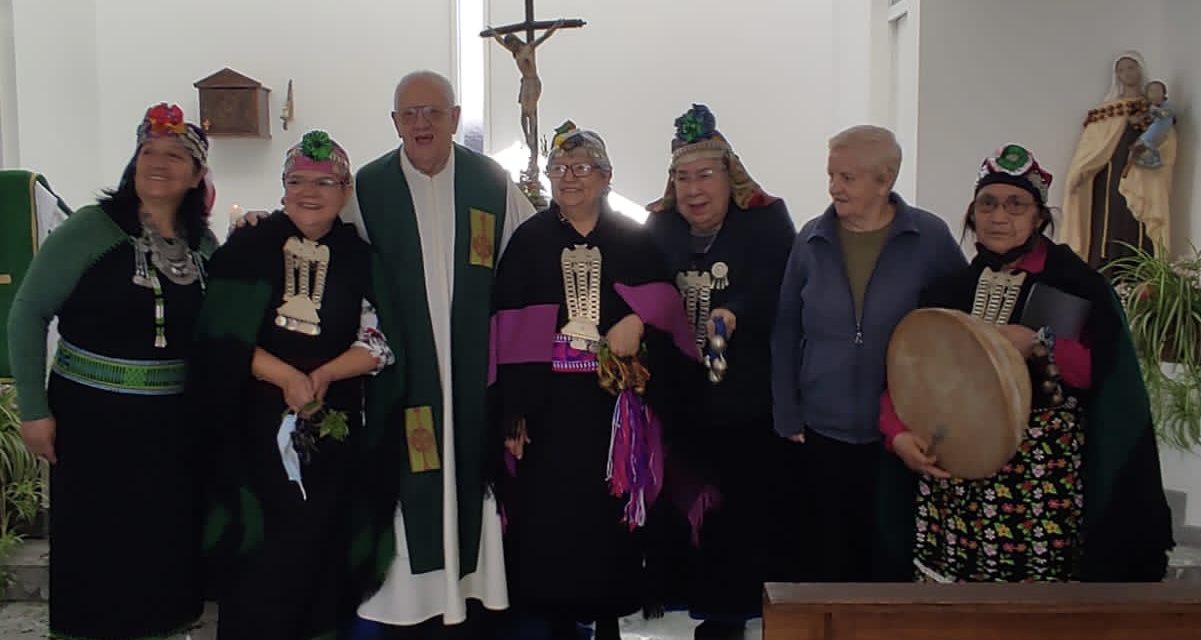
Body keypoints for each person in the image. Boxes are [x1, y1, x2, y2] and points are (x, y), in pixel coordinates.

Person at [875, 143, 1174, 582]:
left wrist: (1039, 343)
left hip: (1042, 486)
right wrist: (897, 434)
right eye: (988, 203)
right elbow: (907, 375)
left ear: (1039, 216)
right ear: (972, 214)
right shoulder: (948, 290)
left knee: (1036, 608)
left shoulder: (1076, 285)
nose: (999, 216)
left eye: (1016, 205)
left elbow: (1106, 379)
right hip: (954, 482)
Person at [7, 102, 214, 639]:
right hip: (91, 426)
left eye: (174, 155)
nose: (158, 163)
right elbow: (28, 314)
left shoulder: (205, 248)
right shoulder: (89, 230)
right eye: (148, 152)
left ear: (196, 176)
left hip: (172, 431)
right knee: (99, 556)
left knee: (164, 553)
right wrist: (33, 409)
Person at [344, 70, 536, 638]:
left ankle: (471, 593)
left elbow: (527, 258)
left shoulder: (491, 182)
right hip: (405, 375)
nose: (422, 123)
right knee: (414, 475)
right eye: (410, 114)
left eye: (434, 112)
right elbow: (335, 257)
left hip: (477, 370)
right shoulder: (369, 187)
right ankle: (412, 602)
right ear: (395, 122)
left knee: (469, 469)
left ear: (455, 118)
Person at [490, 121, 698, 640]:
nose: (569, 178)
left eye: (582, 169)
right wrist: (512, 411)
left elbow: (669, 311)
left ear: (606, 177)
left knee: (610, 518)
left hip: (613, 412)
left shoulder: (634, 239)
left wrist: (640, 320)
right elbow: (507, 325)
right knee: (553, 518)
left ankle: (609, 620)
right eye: (559, 169)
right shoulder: (529, 240)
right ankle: (561, 623)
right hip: (549, 409)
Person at [193, 130, 394, 639]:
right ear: (282, 189)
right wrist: (284, 376)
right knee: (260, 566)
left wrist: (324, 375)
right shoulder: (249, 246)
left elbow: (381, 340)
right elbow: (218, 335)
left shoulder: (361, 257)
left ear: (345, 191)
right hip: (252, 436)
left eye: (325, 181)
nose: (311, 191)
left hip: (333, 434)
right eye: (298, 180)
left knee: (321, 559)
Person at [770, 125, 966, 582]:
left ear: (886, 180)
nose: (834, 187)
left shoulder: (929, 238)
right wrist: (787, 412)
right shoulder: (811, 239)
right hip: (820, 427)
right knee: (825, 559)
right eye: (832, 175)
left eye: (848, 178)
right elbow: (784, 327)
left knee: (886, 560)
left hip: (900, 434)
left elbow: (958, 330)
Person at [644, 104, 795, 639]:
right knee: (681, 500)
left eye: (705, 175)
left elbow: (780, 287)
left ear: (729, 176)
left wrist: (738, 312)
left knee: (740, 508)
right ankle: (679, 596)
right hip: (679, 399)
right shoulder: (658, 225)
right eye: (682, 177)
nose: (693, 190)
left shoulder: (767, 220)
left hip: (746, 400)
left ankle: (733, 613)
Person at [1063, 51, 1176, 265]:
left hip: (1142, 176)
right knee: (1110, 220)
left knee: (1137, 221)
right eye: (1121, 70)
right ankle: (1106, 268)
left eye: (1131, 67)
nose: (1127, 73)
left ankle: (1141, 270)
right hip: (1110, 177)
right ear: (1117, 76)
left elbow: (1166, 139)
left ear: (1140, 70)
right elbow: (1092, 147)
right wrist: (1081, 171)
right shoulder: (1107, 111)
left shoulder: (1154, 109)